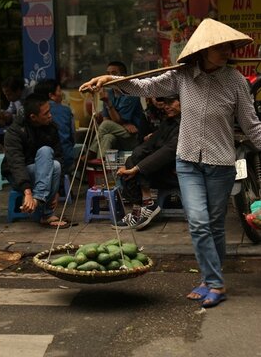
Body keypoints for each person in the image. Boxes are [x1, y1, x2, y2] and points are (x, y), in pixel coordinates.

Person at [80, 18, 261, 309]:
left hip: (221, 164)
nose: (226, 50)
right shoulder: (182, 76)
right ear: (203, 50)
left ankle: (208, 279)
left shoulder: (236, 82)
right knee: (199, 222)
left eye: (228, 46)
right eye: (219, 46)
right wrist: (110, 82)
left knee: (214, 225)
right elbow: (142, 86)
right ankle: (216, 283)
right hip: (187, 161)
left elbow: (253, 128)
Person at [1, 93, 69, 228]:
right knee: (46, 152)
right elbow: (16, 164)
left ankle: (40, 203)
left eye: (50, 111)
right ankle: (46, 212)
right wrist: (27, 191)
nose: (50, 115)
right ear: (33, 117)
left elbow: (59, 157)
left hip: (45, 171)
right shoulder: (14, 132)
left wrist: (57, 190)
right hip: (19, 175)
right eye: (46, 113)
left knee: (53, 162)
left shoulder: (51, 127)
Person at [116, 96, 181, 230]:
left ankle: (145, 205)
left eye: (170, 102)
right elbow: (148, 145)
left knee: (139, 167)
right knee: (133, 159)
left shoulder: (186, 125)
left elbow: (168, 151)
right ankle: (140, 207)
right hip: (161, 170)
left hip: (177, 173)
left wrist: (137, 168)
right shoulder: (167, 122)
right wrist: (134, 163)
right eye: (165, 103)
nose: (166, 106)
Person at [87, 61, 144, 157]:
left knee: (106, 125)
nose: (109, 78)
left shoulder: (131, 93)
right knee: (107, 137)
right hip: (117, 134)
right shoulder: (109, 93)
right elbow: (107, 120)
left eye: (113, 74)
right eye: (108, 74)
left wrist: (108, 103)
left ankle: (90, 153)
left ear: (123, 76)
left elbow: (116, 121)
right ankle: (100, 167)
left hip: (132, 137)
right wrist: (122, 124)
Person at [34, 78, 75, 174]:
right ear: (51, 95)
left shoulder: (35, 113)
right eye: (59, 90)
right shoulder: (66, 110)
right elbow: (72, 136)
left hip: (44, 160)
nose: (61, 93)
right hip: (65, 158)